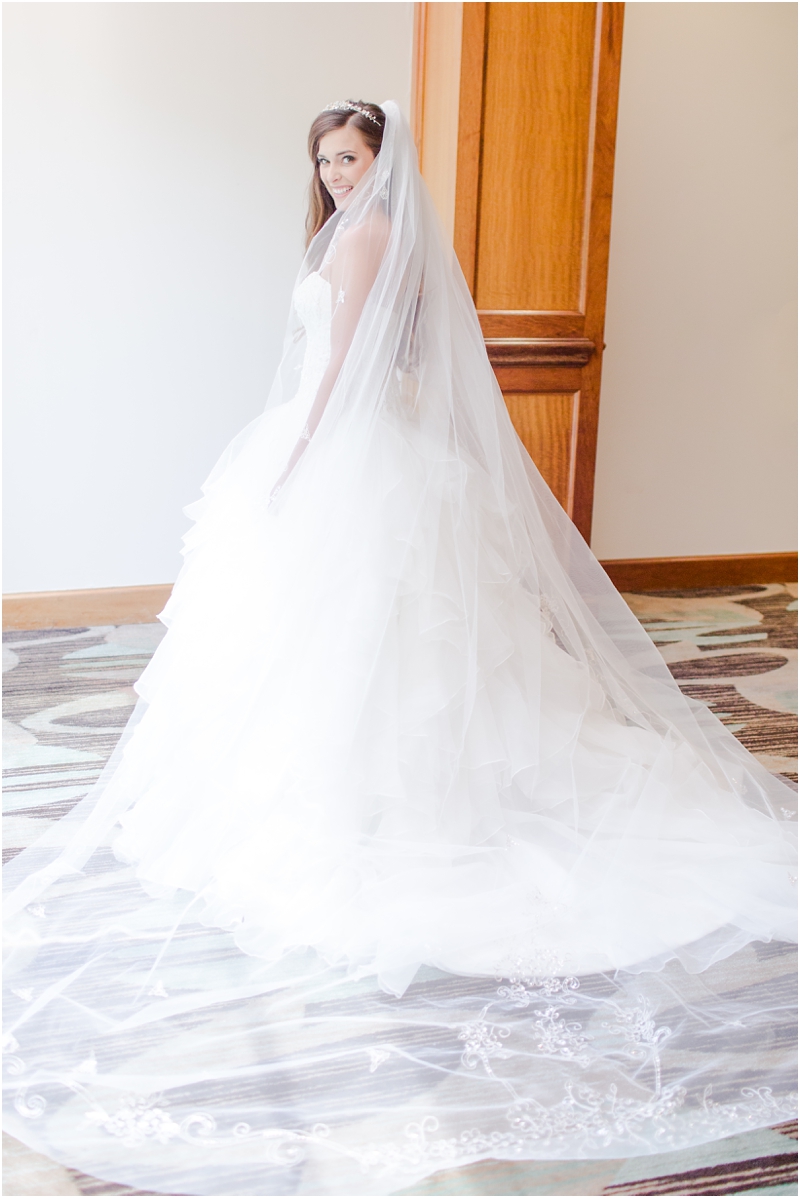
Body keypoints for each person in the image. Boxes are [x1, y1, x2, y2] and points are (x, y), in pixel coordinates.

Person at [4, 100, 796, 1197]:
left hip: (346, 448)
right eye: (324, 160)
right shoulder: (364, 231)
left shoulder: (368, 234)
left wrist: (296, 458)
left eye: (349, 157)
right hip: (358, 447)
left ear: (382, 161)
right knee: (352, 639)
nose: (335, 174)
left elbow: (343, 367)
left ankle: (370, 800)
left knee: (358, 637)